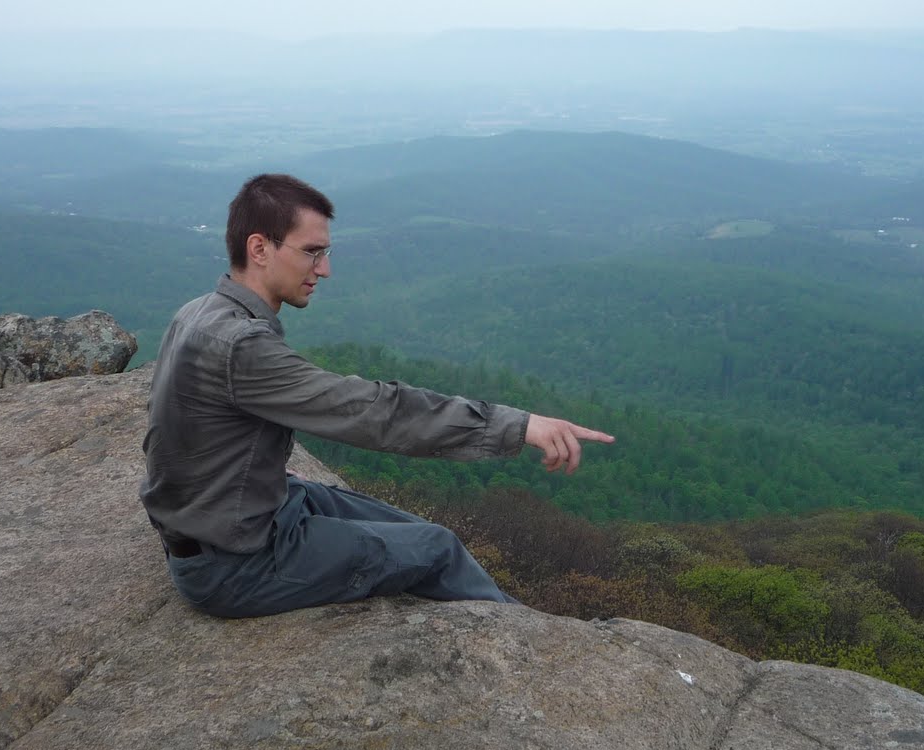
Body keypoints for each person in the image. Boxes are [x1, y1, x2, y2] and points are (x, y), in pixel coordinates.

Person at [140, 172, 612, 618]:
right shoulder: (242, 346)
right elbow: (371, 412)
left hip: (239, 522)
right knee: (437, 549)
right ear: (259, 248)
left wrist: (244, 475)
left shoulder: (197, 313)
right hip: (239, 563)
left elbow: (175, 425)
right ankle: (529, 644)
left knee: (417, 531)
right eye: (312, 252)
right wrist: (518, 425)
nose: (325, 269)